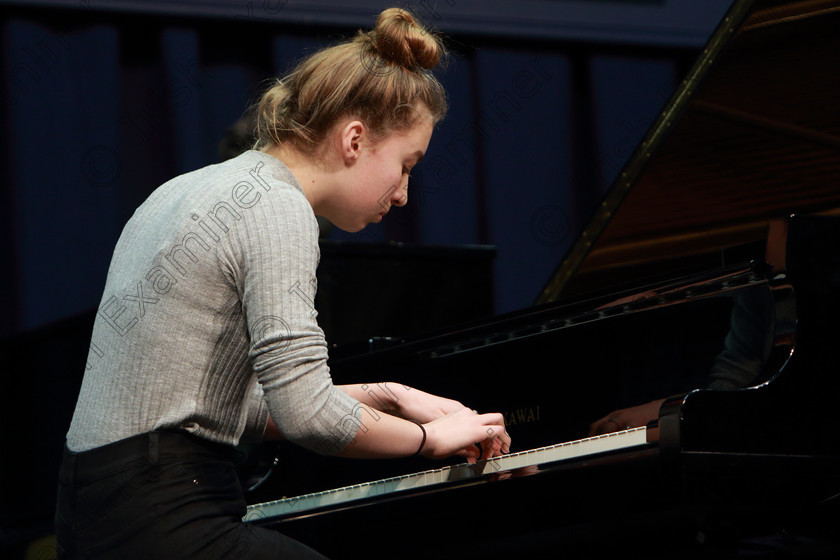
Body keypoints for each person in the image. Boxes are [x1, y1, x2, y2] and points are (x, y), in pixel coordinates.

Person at [55, 8, 510, 559]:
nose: (402, 195)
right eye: (407, 165)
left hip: (94, 508)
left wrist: (388, 394)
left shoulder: (185, 188)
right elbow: (310, 417)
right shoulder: (277, 207)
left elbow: (209, 407)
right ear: (355, 139)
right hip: (169, 512)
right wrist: (426, 439)